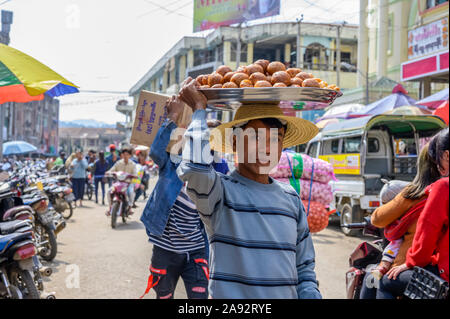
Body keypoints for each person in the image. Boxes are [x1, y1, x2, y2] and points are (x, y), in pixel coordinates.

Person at [176, 77, 321, 299]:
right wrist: (198, 109)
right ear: (234, 142)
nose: (266, 148)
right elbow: (195, 168)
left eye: (276, 139)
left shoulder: (291, 199)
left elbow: (304, 268)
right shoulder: (219, 194)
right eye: (256, 137)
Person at [140, 96, 210, 300]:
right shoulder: (170, 166)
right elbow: (155, 151)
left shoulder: (210, 173)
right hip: (164, 250)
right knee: (164, 296)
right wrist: (173, 115)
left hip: (196, 252)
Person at [376, 128, 449, 299]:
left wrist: (411, 263)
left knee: (383, 281)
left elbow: (427, 233)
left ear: (446, 155)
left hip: (444, 275)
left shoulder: (440, 188)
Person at [106, 147, 137, 213]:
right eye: (124, 154)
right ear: (122, 155)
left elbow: (135, 173)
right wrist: (108, 172)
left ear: (130, 155)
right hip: (118, 183)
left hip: (128, 183)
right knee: (109, 191)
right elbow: (112, 169)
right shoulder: (118, 163)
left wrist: (134, 176)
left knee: (131, 192)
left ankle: (130, 207)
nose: (125, 156)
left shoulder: (133, 164)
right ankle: (110, 207)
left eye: (127, 154)